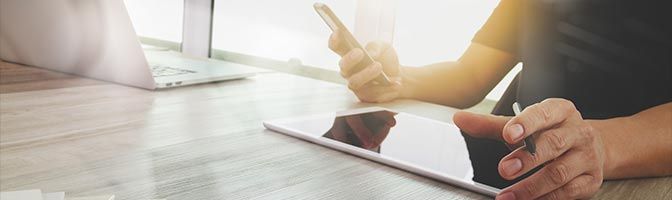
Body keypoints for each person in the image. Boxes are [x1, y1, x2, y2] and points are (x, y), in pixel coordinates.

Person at [327, 0, 672, 199]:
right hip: (499, 173)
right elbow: (470, 76)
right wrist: (399, 80)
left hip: (629, 183)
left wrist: (601, 146)